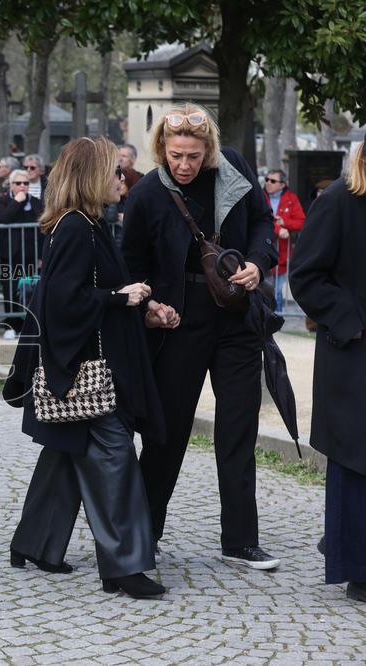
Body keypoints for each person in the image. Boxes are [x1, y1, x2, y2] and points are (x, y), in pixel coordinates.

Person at [3, 136, 168, 599]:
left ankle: (35, 543)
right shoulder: (77, 227)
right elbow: (62, 301)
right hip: (86, 372)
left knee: (63, 451)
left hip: (79, 366)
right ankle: (124, 566)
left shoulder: (84, 224)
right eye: (116, 171)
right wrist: (121, 298)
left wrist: (139, 302)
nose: (124, 179)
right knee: (114, 461)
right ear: (94, 176)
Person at [121, 103, 280, 569]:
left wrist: (258, 262)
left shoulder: (232, 168)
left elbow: (261, 222)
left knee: (238, 429)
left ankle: (240, 540)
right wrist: (148, 306)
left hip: (235, 317)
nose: (184, 165)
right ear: (161, 150)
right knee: (166, 433)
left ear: (208, 150)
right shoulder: (147, 193)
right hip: (178, 323)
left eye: (193, 155)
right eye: (175, 155)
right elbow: (132, 264)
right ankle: (144, 534)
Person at [289, 142, 366, 604]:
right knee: (357, 458)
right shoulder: (338, 200)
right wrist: (352, 321)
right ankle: (356, 565)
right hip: (354, 351)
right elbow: (305, 275)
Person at [0, 168, 44, 330]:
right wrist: (17, 201)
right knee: (10, 288)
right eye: (18, 183)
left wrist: (42, 256)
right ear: (10, 185)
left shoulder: (36, 202)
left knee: (30, 289)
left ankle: (28, 323)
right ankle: (12, 322)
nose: (22, 186)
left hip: (31, 253)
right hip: (10, 254)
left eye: (26, 183)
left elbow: (43, 227)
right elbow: (4, 218)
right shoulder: (3, 200)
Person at [263, 169, 305, 312]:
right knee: (263, 289)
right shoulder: (260, 196)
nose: (268, 183)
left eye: (272, 181)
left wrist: (285, 222)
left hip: (281, 254)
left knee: (278, 291)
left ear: (282, 184)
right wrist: (278, 229)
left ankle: (276, 319)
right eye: (267, 179)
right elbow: (261, 220)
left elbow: (301, 222)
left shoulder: (291, 199)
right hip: (262, 252)